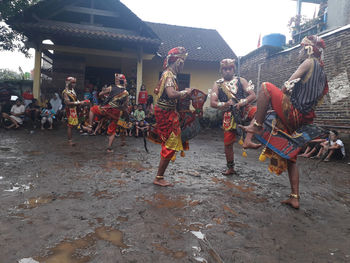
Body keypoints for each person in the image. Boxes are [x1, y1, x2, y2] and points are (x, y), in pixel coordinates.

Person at [241, 35, 328, 209]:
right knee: (292, 159)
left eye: (301, 47)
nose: (299, 51)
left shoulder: (308, 63)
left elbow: (286, 86)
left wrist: (277, 101)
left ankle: (256, 128)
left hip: (294, 112)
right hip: (303, 118)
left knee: (266, 87)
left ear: (309, 49)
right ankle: (295, 197)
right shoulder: (323, 73)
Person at [210, 58, 258, 175]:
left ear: (233, 69)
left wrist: (242, 103)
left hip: (244, 109)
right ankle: (230, 168)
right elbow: (212, 102)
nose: (227, 71)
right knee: (228, 143)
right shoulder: (217, 84)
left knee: (257, 112)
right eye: (225, 69)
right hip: (228, 115)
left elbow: (252, 95)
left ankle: (248, 140)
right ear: (221, 70)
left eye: (230, 68)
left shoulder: (241, 80)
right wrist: (225, 104)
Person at [152, 47, 192, 187]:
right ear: (178, 62)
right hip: (166, 113)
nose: (183, 65)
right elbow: (170, 94)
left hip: (167, 112)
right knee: (171, 143)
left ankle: (160, 176)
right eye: (182, 62)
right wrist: (184, 92)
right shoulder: (169, 75)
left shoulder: (169, 75)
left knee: (171, 142)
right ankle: (159, 177)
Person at [86, 74, 129, 152]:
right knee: (113, 130)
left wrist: (105, 95)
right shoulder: (126, 93)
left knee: (92, 109)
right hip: (116, 112)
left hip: (106, 109)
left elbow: (100, 94)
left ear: (118, 81)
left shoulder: (111, 87)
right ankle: (109, 148)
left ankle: (90, 126)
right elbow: (125, 106)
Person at [62, 77, 87, 146]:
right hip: (70, 110)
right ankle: (70, 141)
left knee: (75, 124)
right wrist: (78, 103)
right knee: (70, 126)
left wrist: (80, 103)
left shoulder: (72, 90)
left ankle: (85, 128)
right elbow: (68, 103)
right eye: (72, 82)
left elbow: (74, 100)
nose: (74, 84)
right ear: (68, 82)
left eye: (75, 82)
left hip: (74, 109)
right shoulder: (65, 92)